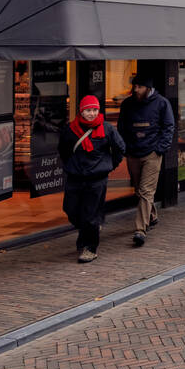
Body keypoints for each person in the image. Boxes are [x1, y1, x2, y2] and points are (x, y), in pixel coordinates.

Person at [59, 96, 125, 263]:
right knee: (71, 209)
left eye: (95, 110)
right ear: (81, 111)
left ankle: (90, 248)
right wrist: (72, 165)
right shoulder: (70, 129)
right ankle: (87, 233)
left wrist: (109, 166)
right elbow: (63, 150)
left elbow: (120, 148)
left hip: (97, 178)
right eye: (88, 110)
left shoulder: (107, 129)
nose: (92, 113)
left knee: (91, 215)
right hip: (75, 177)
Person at [117, 75, 175, 247]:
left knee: (146, 191)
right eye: (134, 86)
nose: (136, 90)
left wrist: (160, 149)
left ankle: (140, 230)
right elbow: (121, 127)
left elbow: (169, 126)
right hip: (133, 152)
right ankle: (152, 215)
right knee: (138, 188)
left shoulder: (162, 103)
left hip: (152, 153)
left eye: (140, 86)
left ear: (149, 88)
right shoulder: (127, 104)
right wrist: (125, 147)